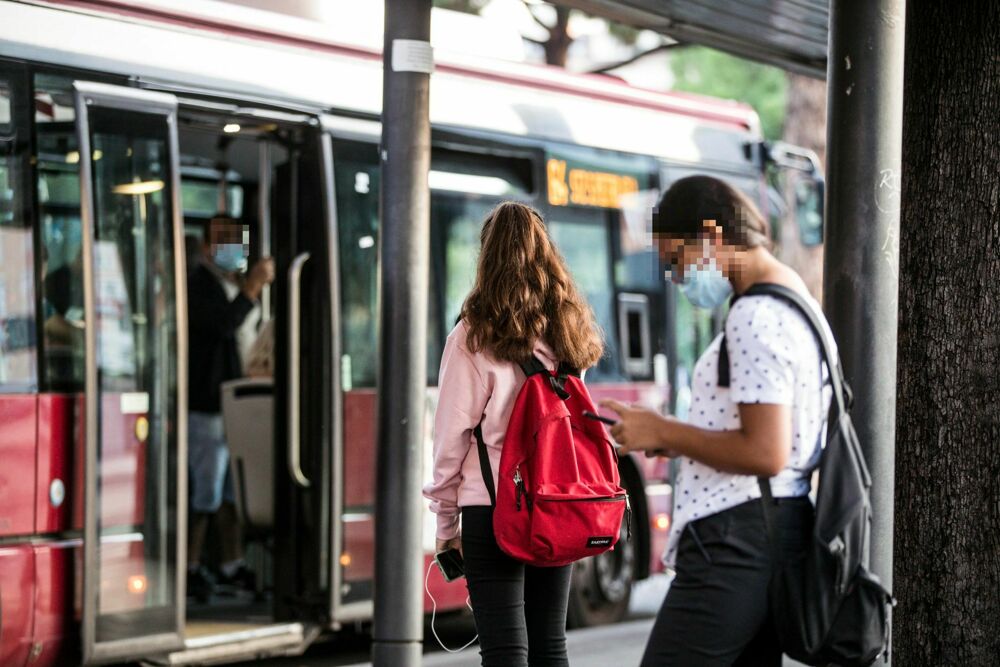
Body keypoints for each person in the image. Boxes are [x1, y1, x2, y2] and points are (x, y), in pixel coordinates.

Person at [601, 175, 834, 666]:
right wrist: (679, 440)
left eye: (675, 260)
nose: (676, 278)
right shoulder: (796, 302)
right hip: (773, 529)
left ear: (710, 236)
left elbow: (765, 452)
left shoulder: (753, 315)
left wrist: (664, 431)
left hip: (734, 542)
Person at [423, 201, 604, 667]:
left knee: (505, 653)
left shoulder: (472, 337)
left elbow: (450, 442)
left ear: (487, 257)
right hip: (555, 503)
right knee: (550, 646)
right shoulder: (569, 332)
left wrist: (446, 528)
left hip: (493, 510)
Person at [187, 217, 274, 600]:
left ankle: (230, 564)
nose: (233, 252)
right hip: (205, 403)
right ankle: (190, 566)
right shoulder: (198, 285)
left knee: (229, 494)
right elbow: (221, 325)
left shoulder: (227, 284)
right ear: (207, 247)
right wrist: (252, 289)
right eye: (225, 244)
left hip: (231, 404)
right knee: (204, 493)